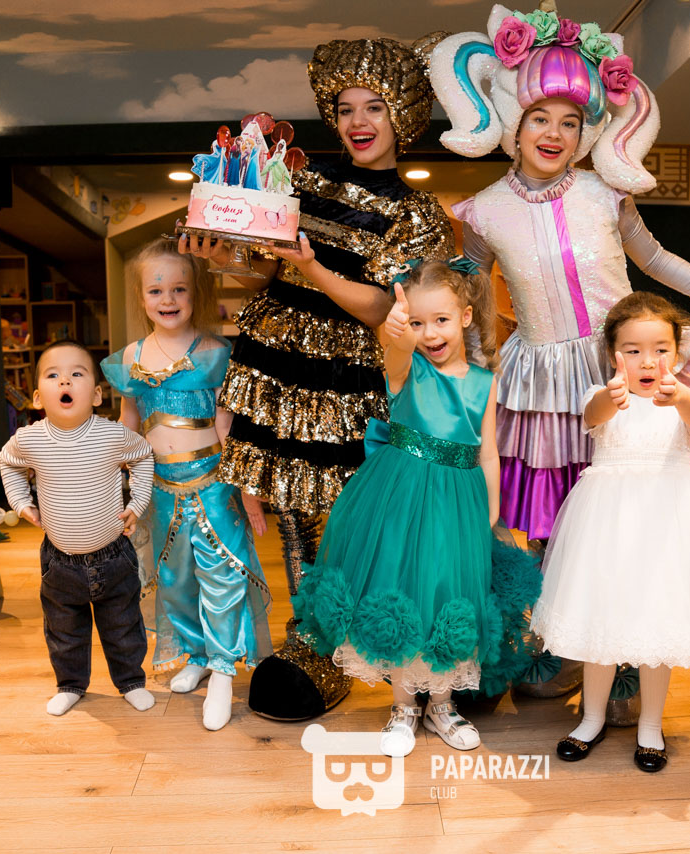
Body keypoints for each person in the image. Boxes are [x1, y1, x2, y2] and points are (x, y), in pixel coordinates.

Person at [182, 36, 455, 722]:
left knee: (342, 508)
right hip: (276, 363)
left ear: (403, 116)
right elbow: (265, 269)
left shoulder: (418, 215)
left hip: (346, 376)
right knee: (290, 503)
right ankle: (309, 637)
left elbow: (387, 308)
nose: (358, 121)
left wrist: (313, 269)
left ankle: (342, 636)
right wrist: (224, 259)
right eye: (345, 109)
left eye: (374, 108)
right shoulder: (301, 182)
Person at [430, 3, 690, 542]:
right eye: (540, 118)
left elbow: (655, 259)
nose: (554, 133)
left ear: (584, 133)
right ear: (515, 124)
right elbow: (474, 296)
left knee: (637, 514)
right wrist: (473, 370)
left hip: (624, 361)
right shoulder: (484, 211)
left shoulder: (606, 194)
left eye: (570, 122)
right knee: (553, 523)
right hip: (542, 380)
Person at [291, 258, 541, 757]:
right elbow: (397, 349)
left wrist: (490, 512)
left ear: (466, 317)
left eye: (441, 320)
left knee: (449, 593)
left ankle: (441, 705)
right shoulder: (408, 368)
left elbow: (488, 451)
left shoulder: (484, 381)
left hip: (460, 502)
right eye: (419, 322)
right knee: (404, 591)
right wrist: (397, 331)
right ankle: (404, 706)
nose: (430, 333)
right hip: (402, 497)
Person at [532, 292, 690, 770]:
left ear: (677, 353)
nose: (648, 361)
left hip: (666, 533)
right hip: (609, 529)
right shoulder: (602, 396)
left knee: (658, 626)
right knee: (601, 621)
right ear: (612, 354)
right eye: (634, 350)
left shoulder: (688, 398)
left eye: (661, 349)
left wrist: (679, 394)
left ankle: (650, 725)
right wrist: (611, 395)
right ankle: (591, 718)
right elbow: (593, 415)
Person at [101, 239, 270, 732]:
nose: (168, 299)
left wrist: (248, 492)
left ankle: (223, 668)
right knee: (175, 579)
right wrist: (117, 486)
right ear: (141, 297)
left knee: (221, 575)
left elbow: (227, 428)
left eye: (179, 288)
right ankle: (195, 653)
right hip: (159, 488)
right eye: (156, 290)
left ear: (196, 293)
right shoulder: (131, 359)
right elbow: (129, 425)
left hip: (213, 485)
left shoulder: (215, 354)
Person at [0, 340, 156, 717]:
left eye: (76, 374)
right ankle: (70, 684)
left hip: (113, 556)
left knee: (122, 624)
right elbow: (8, 462)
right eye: (53, 375)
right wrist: (21, 501)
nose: (65, 381)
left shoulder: (112, 435)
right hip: (60, 563)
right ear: (38, 397)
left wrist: (136, 503)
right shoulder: (30, 439)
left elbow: (143, 456)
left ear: (97, 395)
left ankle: (131, 681)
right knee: (64, 629)